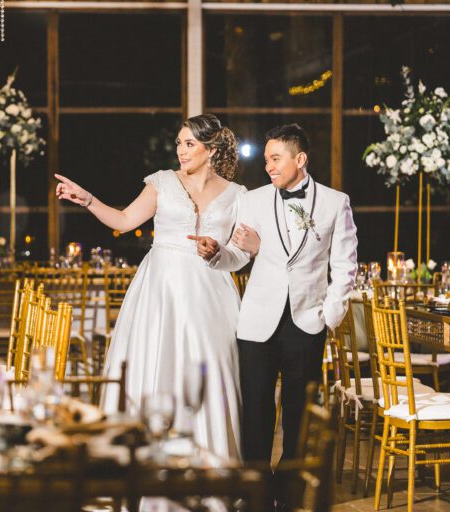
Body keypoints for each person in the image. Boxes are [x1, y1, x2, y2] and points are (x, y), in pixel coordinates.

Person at [54, 114, 260, 461]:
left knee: (211, 367)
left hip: (211, 295)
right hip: (160, 290)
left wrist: (219, 253)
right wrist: (87, 199)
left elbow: (241, 255)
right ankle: (139, 458)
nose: (181, 151)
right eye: (179, 143)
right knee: (152, 363)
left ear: (211, 150)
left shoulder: (238, 195)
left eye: (190, 144)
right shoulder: (162, 182)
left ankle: (210, 458)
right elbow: (124, 220)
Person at [192, 123, 358, 470]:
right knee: (255, 408)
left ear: (300, 159)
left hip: (307, 321)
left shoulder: (335, 202)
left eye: (276, 158)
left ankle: (290, 485)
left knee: (300, 412)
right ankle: (257, 487)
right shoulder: (252, 200)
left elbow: (345, 266)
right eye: (267, 159)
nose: (268, 166)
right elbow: (240, 255)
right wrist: (217, 253)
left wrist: (329, 315)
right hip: (257, 322)